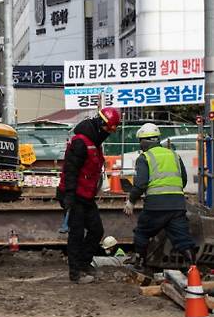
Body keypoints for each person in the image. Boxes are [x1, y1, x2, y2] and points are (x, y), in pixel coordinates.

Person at [57, 107, 121, 284]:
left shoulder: (95, 141)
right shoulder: (81, 142)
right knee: (76, 234)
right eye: (109, 129)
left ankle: (84, 263)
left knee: (96, 230)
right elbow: (70, 170)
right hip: (73, 194)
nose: (110, 133)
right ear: (101, 124)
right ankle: (75, 273)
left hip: (85, 196)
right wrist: (69, 196)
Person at [124, 123, 195, 268]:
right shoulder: (174, 155)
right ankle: (192, 268)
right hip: (177, 205)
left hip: (155, 206)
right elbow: (184, 179)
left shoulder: (145, 157)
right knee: (182, 238)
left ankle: (140, 264)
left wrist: (131, 201)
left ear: (144, 141)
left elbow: (140, 184)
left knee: (142, 233)